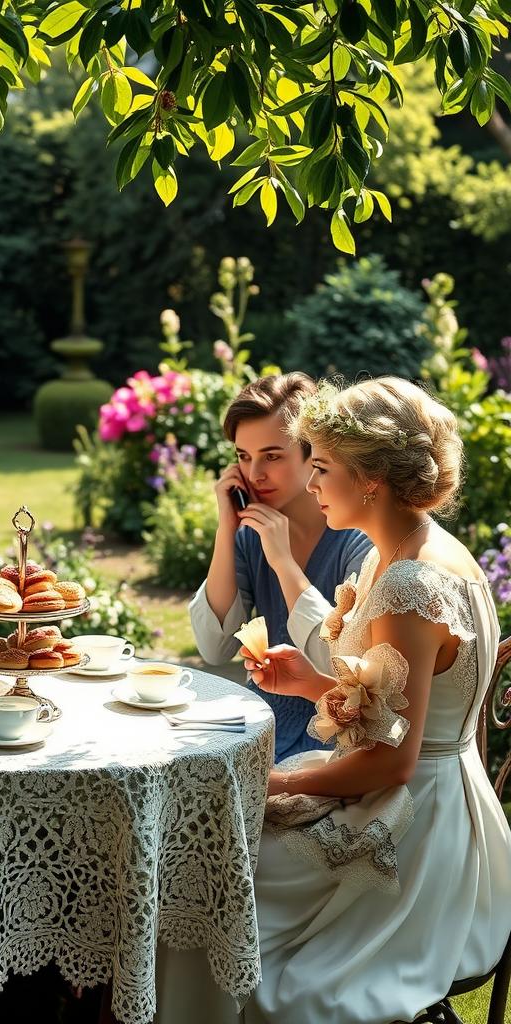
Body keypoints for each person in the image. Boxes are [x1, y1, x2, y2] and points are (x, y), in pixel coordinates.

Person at [240, 377, 511, 1024]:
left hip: (421, 829)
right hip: (424, 793)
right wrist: (310, 682)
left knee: (234, 882)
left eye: (323, 468)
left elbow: (395, 761)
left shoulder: (411, 584)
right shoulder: (415, 552)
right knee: (233, 857)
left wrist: (267, 782)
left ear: (370, 481)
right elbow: (406, 706)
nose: (311, 485)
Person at [189, 373, 372, 759]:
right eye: (243, 456)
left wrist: (282, 560)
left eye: (272, 456)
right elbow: (214, 647)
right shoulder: (249, 536)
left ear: (314, 454)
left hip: (338, 734)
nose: (255, 475)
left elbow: (341, 664)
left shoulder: (359, 541)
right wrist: (227, 528)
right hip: (257, 723)